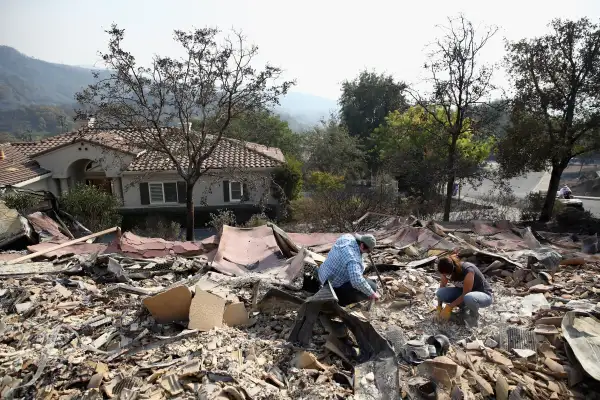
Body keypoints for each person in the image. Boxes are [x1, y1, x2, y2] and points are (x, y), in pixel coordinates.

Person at [317, 233, 380, 306]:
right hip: (331, 289)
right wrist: (372, 294)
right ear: (362, 246)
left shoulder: (347, 237)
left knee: (364, 281)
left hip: (322, 274)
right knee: (372, 286)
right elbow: (356, 281)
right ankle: (341, 302)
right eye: (368, 251)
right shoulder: (353, 259)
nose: (368, 253)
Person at [435, 256, 493, 327]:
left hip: (483, 295)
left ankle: (473, 317)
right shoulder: (445, 272)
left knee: (469, 297)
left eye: (447, 274)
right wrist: (439, 307)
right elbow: (442, 286)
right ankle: (463, 310)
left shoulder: (468, 270)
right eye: (444, 274)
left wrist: (449, 307)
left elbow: (466, 293)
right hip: (464, 294)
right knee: (440, 293)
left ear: (452, 270)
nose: (445, 276)